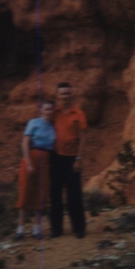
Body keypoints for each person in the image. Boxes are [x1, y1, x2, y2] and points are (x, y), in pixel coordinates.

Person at [50, 82, 87, 238]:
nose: (65, 96)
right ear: (57, 96)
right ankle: (56, 229)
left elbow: (83, 138)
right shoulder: (54, 113)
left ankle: (79, 229)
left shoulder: (78, 113)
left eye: (67, 93)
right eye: (62, 94)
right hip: (55, 158)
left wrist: (78, 159)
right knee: (55, 194)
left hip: (72, 159)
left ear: (72, 95)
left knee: (74, 195)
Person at [15, 99, 56, 240]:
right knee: (26, 191)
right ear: (41, 110)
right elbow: (25, 143)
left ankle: (36, 229)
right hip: (31, 156)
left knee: (42, 194)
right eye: (46, 109)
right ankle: (20, 230)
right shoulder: (33, 122)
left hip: (45, 160)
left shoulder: (53, 126)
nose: (49, 112)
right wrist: (29, 163)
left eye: (51, 109)